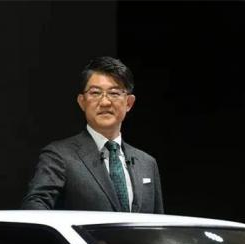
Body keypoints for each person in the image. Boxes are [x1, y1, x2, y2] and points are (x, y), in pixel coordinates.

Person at [22, 56, 163, 213]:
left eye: (114, 93)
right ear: (82, 102)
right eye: (95, 93)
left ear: (129, 103)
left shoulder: (147, 164)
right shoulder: (59, 156)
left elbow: (159, 224)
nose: (105, 102)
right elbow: (35, 206)